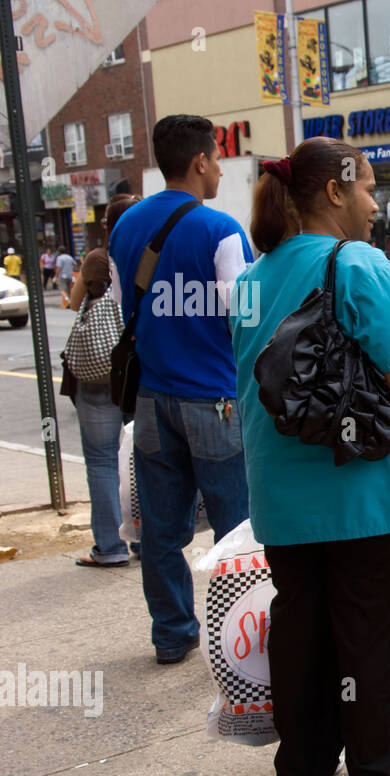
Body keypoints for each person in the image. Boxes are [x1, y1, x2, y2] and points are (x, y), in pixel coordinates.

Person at [231, 137, 390, 776]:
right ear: (334, 191)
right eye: (366, 188)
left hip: (282, 505)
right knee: (369, 638)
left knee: (302, 636)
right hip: (366, 499)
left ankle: (302, 768)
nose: (374, 204)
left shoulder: (250, 280)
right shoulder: (359, 265)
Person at [108, 115, 254, 665]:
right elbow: (247, 319)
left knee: (161, 532)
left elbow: (127, 308)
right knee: (236, 530)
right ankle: (238, 640)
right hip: (214, 400)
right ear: (199, 162)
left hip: (151, 402)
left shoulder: (124, 227)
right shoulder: (220, 230)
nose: (219, 169)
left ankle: (172, 633)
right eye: (216, 158)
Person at [65, 195, 140, 568]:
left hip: (97, 374)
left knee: (101, 461)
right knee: (141, 459)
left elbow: (74, 302)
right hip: (136, 371)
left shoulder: (97, 258)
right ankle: (144, 539)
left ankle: (110, 547)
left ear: (108, 225)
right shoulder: (149, 254)